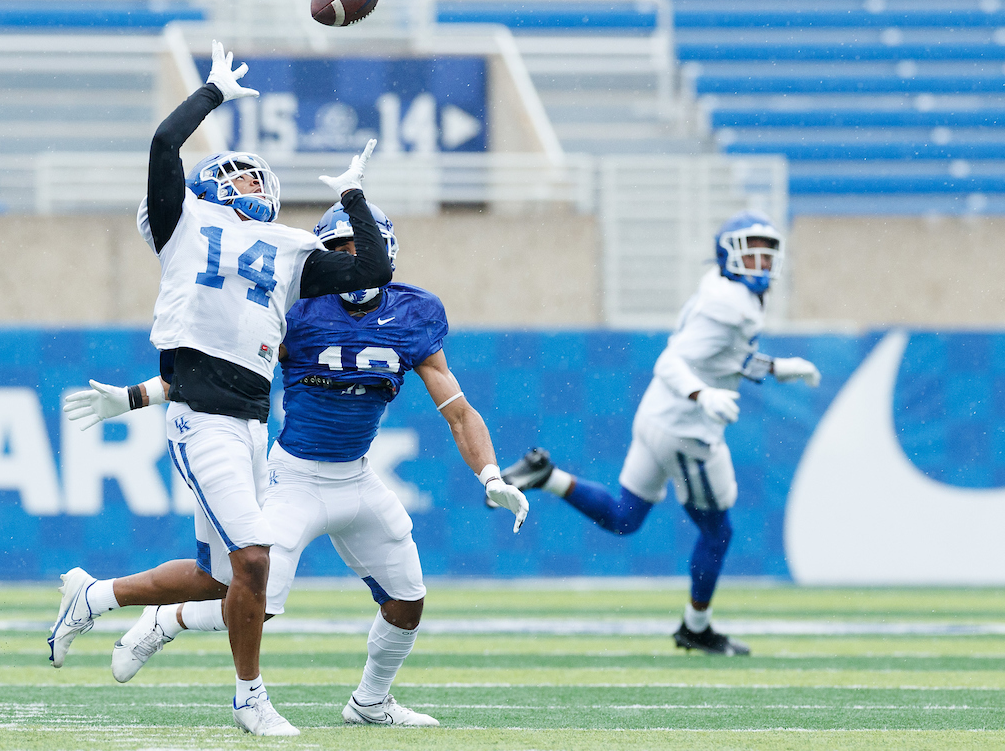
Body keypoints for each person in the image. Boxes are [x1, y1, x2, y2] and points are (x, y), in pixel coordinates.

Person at [62, 201, 529, 727]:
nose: (350, 259)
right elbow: (217, 374)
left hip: (358, 477)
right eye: (338, 250)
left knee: (407, 601)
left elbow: (459, 411)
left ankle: (370, 702)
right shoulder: (295, 307)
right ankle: (167, 620)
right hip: (294, 478)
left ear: (384, 251)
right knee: (253, 601)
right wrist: (135, 397)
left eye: (359, 248)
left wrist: (491, 476)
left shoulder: (414, 312)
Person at [46, 40, 393, 737]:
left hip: (250, 424)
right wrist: (211, 94)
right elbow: (163, 143)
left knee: (219, 579)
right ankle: (248, 699)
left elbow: (372, 271)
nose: (249, 182)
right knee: (255, 560)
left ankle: (94, 595)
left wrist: (353, 195)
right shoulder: (182, 224)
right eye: (235, 174)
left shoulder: (289, 250)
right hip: (200, 423)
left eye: (256, 175)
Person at [500, 211, 820, 656]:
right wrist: (703, 395)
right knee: (718, 532)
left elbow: (723, 356)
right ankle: (696, 627)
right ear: (729, 256)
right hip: (687, 431)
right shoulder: (732, 304)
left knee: (624, 517)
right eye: (753, 254)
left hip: (657, 415)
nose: (762, 264)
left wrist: (778, 367)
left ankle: (546, 475)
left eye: (768, 255)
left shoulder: (727, 292)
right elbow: (671, 361)